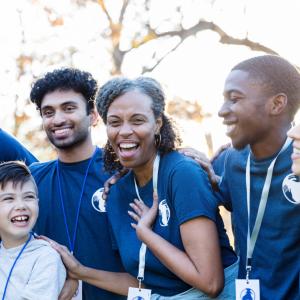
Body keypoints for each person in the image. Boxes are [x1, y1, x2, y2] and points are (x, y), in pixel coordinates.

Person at [49, 76, 238, 299]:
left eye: (137, 120)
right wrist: (81, 272)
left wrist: (146, 235)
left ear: (158, 123)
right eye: (115, 122)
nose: (125, 131)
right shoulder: (117, 191)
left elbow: (210, 282)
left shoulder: (182, 173)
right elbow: (147, 285)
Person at [29, 68, 126, 300]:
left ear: (93, 115)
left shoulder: (123, 173)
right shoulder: (30, 181)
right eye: (48, 112)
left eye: (69, 108)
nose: (58, 119)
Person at [210, 55, 300, 299]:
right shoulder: (230, 160)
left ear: (277, 104)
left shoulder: (297, 161)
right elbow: (222, 194)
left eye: (235, 98)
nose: (222, 111)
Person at [0, 161, 66, 300]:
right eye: (8, 198)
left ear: (37, 202)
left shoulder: (46, 257)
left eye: (28, 197)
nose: (21, 205)